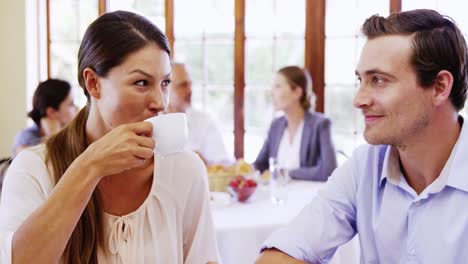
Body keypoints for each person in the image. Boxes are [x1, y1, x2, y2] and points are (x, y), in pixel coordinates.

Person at [0, 11, 219, 264]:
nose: (160, 102)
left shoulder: (185, 169)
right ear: (93, 84)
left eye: (165, 82)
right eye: (141, 83)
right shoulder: (34, 169)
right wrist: (90, 166)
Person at [256, 9, 468, 263]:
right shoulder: (364, 167)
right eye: (361, 80)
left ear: (439, 87)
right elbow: (282, 253)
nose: (358, 100)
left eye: (379, 80)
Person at [253, 66, 337, 181]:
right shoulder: (276, 125)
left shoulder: (321, 124)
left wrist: (286, 173)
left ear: (297, 92)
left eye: (277, 86)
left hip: (306, 196)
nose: (272, 93)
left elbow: (328, 171)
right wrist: (242, 169)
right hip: (276, 195)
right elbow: (260, 164)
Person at [167, 62, 232, 165]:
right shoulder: (151, 123)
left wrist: (201, 163)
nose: (189, 90)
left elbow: (224, 165)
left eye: (190, 84)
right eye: (183, 85)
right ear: (166, 88)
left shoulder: (205, 121)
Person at [12, 79, 77, 154]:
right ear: (51, 112)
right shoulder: (25, 138)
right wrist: (53, 136)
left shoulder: (71, 135)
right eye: (71, 104)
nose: (76, 108)